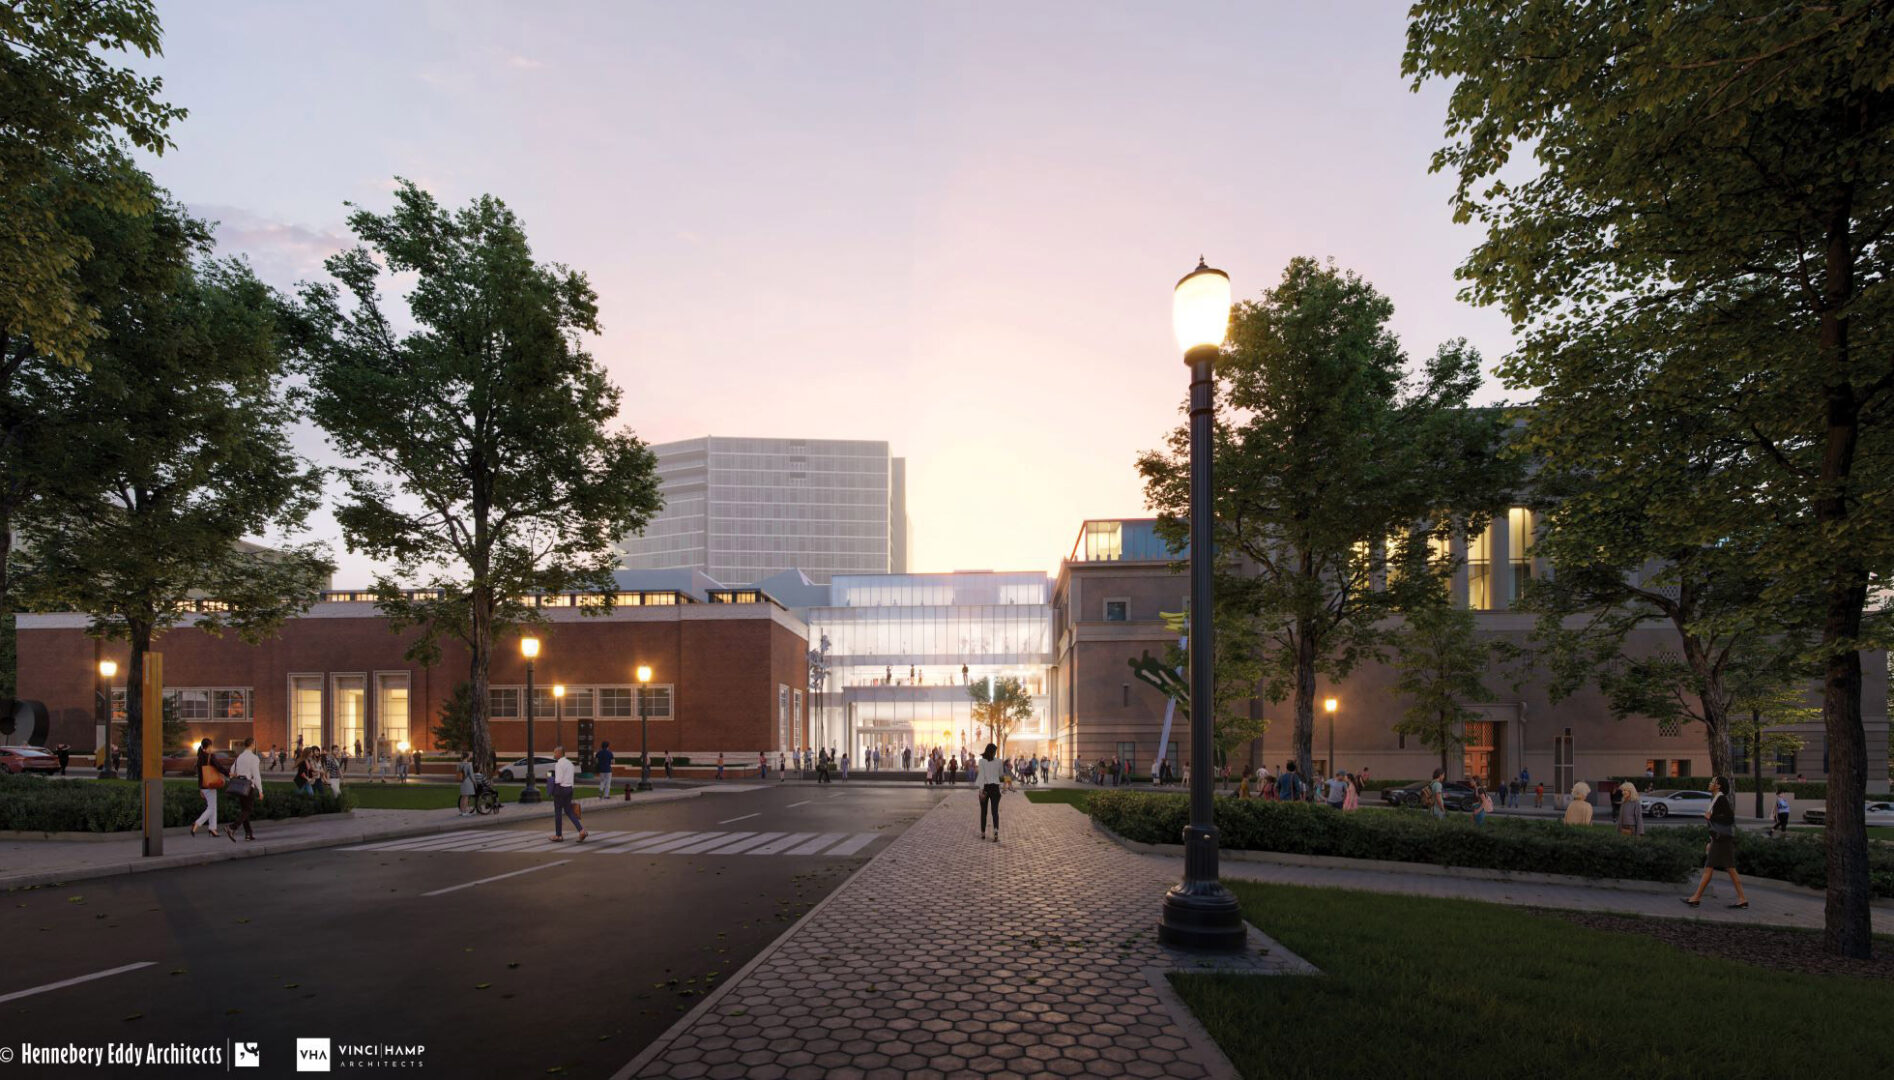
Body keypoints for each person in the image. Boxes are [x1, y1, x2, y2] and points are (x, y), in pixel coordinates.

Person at [1684, 776, 1748, 909]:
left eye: (1712, 782)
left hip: (1721, 841)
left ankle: (1696, 898)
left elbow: (1729, 818)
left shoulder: (1721, 799)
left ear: (1718, 785)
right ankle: (1742, 899)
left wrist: (1711, 816)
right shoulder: (1717, 799)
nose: (1710, 783)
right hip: (1720, 840)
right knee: (1729, 869)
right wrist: (1710, 839)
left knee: (1710, 868)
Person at [547, 746, 587, 842]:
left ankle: (558, 835)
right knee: (569, 811)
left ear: (560, 753)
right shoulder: (570, 763)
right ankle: (581, 830)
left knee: (558, 812)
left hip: (560, 789)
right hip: (569, 788)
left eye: (555, 752)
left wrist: (550, 779)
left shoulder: (559, 764)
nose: (554, 754)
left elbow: (558, 780)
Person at [227, 738, 263, 841]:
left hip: (239, 786)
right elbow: (256, 775)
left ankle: (248, 834)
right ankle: (232, 827)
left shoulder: (239, 757)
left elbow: (232, 770)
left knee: (244, 810)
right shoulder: (254, 758)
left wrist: (239, 773)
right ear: (252, 745)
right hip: (248, 786)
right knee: (248, 809)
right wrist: (260, 790)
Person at [191, 738, 226, 838]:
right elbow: (219, 767)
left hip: (203, 786)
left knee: (213, 807)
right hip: (210, 785)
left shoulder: (199, 758)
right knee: (211, 808)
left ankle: (212, 828)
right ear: (209, 747)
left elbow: (200, 776)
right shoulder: (210, 757)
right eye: (211, 746)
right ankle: (197, 823)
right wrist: (229, 773)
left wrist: (200, 789)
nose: (212, 748)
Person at [976, 742, 1004, 842]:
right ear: (992, 751)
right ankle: (995, 831)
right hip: (995, 788)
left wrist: (980, 790)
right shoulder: (999, 762)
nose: (995, 753)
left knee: (984, 812)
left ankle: (983, 833)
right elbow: (1001, 775)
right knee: (995, 811)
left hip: (985, 788)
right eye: (995, 751)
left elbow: (981, 776)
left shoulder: (981, 761)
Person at [457, 751, 476, 816]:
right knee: (466, 797)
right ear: (467, 757)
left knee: (463, 797)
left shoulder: (459, 764)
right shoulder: (469, 764)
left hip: (462, 781)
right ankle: (465, 812)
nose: (470, 757)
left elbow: (458, 772)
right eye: (469, 756)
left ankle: (462, 811)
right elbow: (471, 774)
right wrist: (474, 782)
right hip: (468, 782)